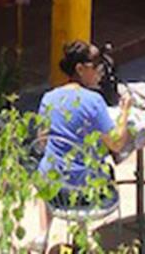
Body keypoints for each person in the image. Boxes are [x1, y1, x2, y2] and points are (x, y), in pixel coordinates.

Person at [37, 40, 133, 226]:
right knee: (92, 168)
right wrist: (125, 112)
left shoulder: (48, 98)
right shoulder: (94, 101)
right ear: (80, 69)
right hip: (86, 190)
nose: (100, 71)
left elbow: (42, 142)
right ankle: (79, 232)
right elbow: (117, 143)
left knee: (45, 168)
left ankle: (43, 233)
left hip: (55, 190)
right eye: (96, 66)